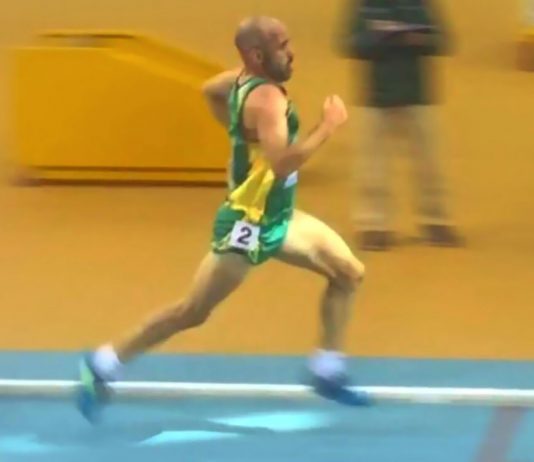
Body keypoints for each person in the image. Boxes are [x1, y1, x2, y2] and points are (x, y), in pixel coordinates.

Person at [77, 16, 367, 422]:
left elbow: (209, 90)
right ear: (257, 55)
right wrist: (327, 127)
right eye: (283, 46)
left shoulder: (239, 81)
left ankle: (327, 370)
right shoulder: (268, 101)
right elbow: (282, 164)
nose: (292, 53)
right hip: (247, 225)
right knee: (192, 312)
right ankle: (103, 363)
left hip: (278, 215)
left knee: (348, 273)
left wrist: (239, 132)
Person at [340, 0, 463, 251]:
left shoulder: (421, 3)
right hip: (376, 95)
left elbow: (443, 41)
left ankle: (436, 221)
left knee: (429, 163)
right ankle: (373, 225)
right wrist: (382, 40)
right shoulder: (364, 4)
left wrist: (416, 39)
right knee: (372, 166)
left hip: (417, 93)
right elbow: (349, 43)